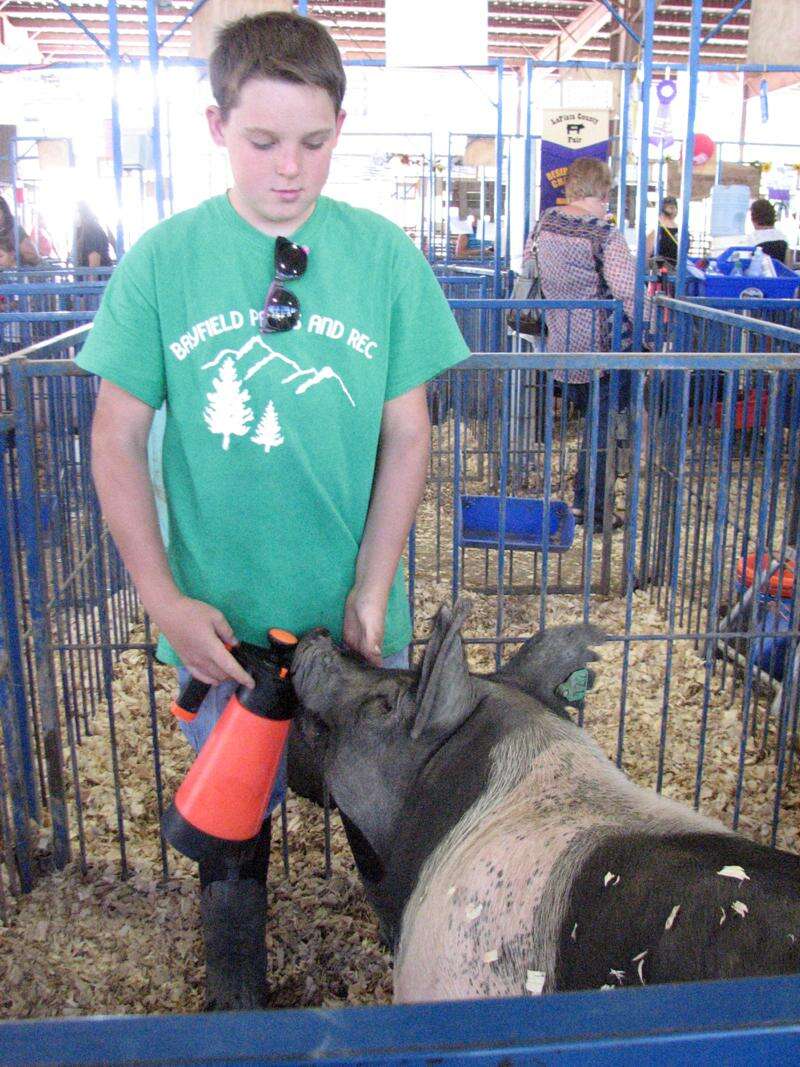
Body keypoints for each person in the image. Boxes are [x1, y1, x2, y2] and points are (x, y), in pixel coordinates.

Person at [75, 10, 469, 1011]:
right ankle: (236, 996)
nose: (289, 168)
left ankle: (416, 977)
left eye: (313, 141)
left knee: (383, 815)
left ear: (341, 128)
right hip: (219, 624)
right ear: (216, 127)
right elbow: (115, 436)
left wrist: (372, 584)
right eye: (261, 141)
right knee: (231, 820)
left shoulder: (382, 256)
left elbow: (408, 432)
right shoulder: (162, 260)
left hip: (354, 620)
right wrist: (162, 598)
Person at [525, 157, 640, 533]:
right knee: (603, 432)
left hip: (560, 343)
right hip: (603, 349)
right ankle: (594, 510)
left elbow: (529, 265)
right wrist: (653, 325)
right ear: (604, 191)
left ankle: (582, 503)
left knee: (592, 430)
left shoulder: (545, 223)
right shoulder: (605, 234)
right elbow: (628, 291)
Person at [746, 198, 791, 266]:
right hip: (779, 272)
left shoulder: (751, 239)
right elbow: (788, 267)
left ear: (753, 218)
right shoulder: (783, 238)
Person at [0, 195, 41, 267]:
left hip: (15, 269)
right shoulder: (15, 230)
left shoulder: (14, 230)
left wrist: (12, 262)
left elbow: (31, 256)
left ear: (4, 212)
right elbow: (32, 256)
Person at [73, 200, 114, 268]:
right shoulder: (83, 230)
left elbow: (94, 261)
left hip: (97, 272)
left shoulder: (91, 230)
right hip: (88, 271)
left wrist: (91, 276)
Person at [646, 195, 680, 265]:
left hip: (659, 269)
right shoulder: (683, 232)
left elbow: (645, 256)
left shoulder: (655, 233)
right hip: (678, 269)